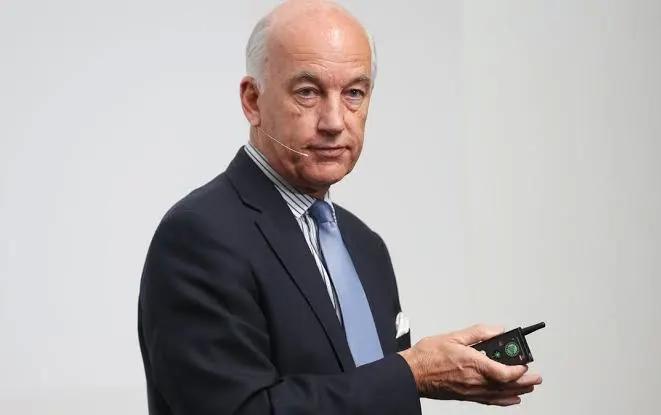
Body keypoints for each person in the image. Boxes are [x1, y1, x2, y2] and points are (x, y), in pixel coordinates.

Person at [137, 1, 543, 414]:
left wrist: (427, 374)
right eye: (308, 92)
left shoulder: (366, 246)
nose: (334, 121)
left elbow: (373, 391)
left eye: (353, 93)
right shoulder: (198, 236)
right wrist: (413, 373)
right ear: (252, 101)